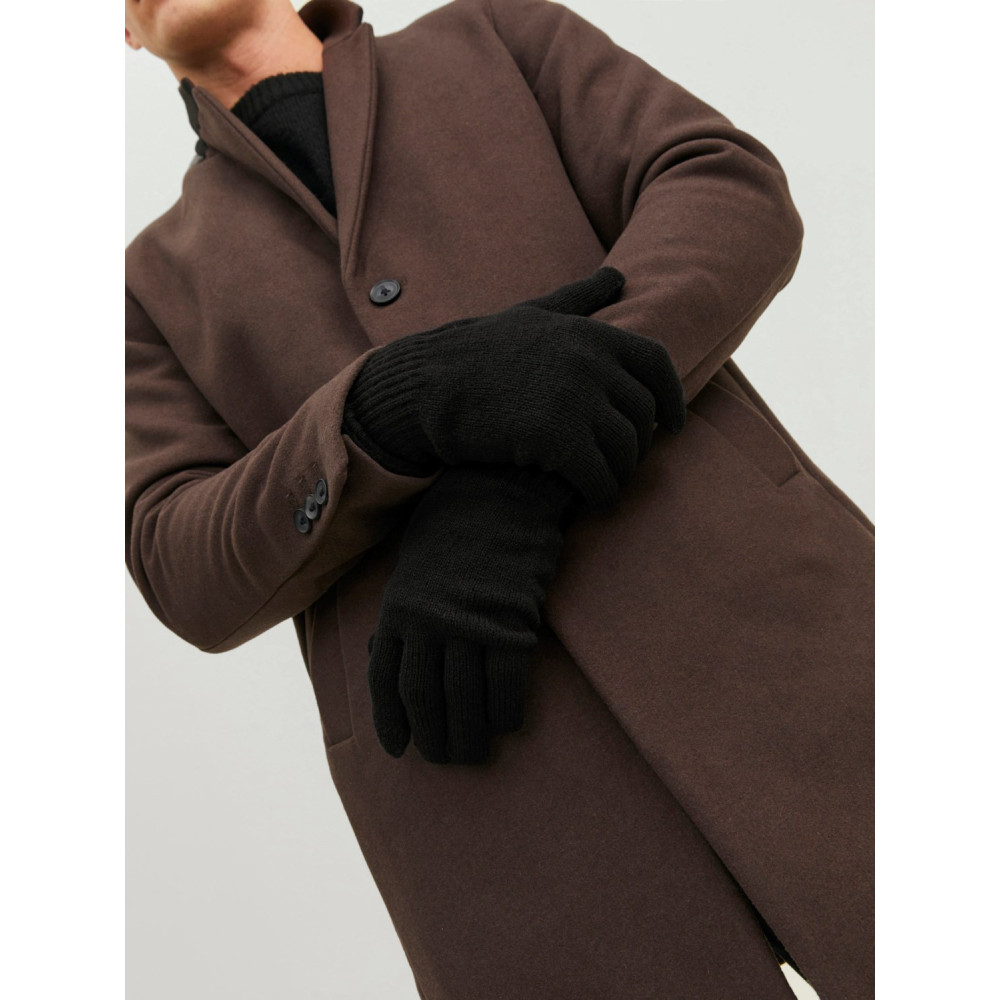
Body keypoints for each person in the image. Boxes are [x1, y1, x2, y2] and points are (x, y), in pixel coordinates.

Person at [125, 1, 874, 997]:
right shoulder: (146, 284)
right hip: (488, 786)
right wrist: (376, 415)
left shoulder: (498, 36)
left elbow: (723, 187)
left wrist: (515, 475)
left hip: (770, 633)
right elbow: (180, 561)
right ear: (122, 30)